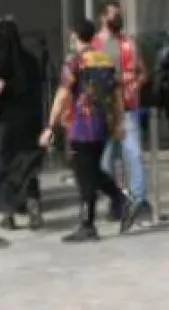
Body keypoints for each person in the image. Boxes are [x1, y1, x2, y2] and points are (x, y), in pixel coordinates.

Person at [42, 18, 137, 242]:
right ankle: (121, 201)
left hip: (81, 126)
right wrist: (118, 123)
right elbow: (116, 95)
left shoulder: (74, 63)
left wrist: (50, 125)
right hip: (102, 124)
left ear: (75, 36)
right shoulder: (105, 60)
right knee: (90, 170)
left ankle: (89, 223)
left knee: (85, 175)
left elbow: (63, 94)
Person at [0, 18, 46, 229]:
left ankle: (9, 214)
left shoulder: (0, 63)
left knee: (4, 167)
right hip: (30, 122)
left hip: (4, 124)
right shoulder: (31, 61)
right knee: (28, 167)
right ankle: (34, 208)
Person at [95, 0, 150, 224]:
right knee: (106, 161)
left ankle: (139, 201)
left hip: (128, 107)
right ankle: (115, 201)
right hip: (104, 109)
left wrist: (137, 82)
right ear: (103, 17)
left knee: (133, 153)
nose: (117, 19)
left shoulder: (129, 43)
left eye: (120, 15)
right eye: (113, 15)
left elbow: (143, 72)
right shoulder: (94, 44)